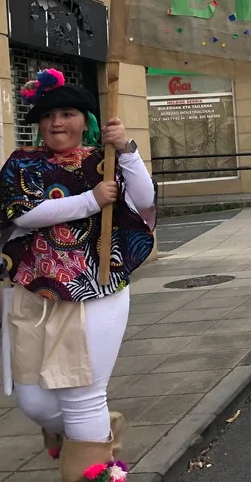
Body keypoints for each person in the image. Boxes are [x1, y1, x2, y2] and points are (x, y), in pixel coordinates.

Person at [0, 69, 156, 482]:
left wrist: (127, 150)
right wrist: (91, 200)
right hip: (31, 288)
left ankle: (94, 468)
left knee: (82, 394)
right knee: (32, 400)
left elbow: (144, 199)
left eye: (67, 114)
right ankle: (98, 430)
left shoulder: (104, 160)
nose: (56, 123)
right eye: (48, 116)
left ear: (85, 121)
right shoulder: (21, 162)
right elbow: (23, 213)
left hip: (97, 287)